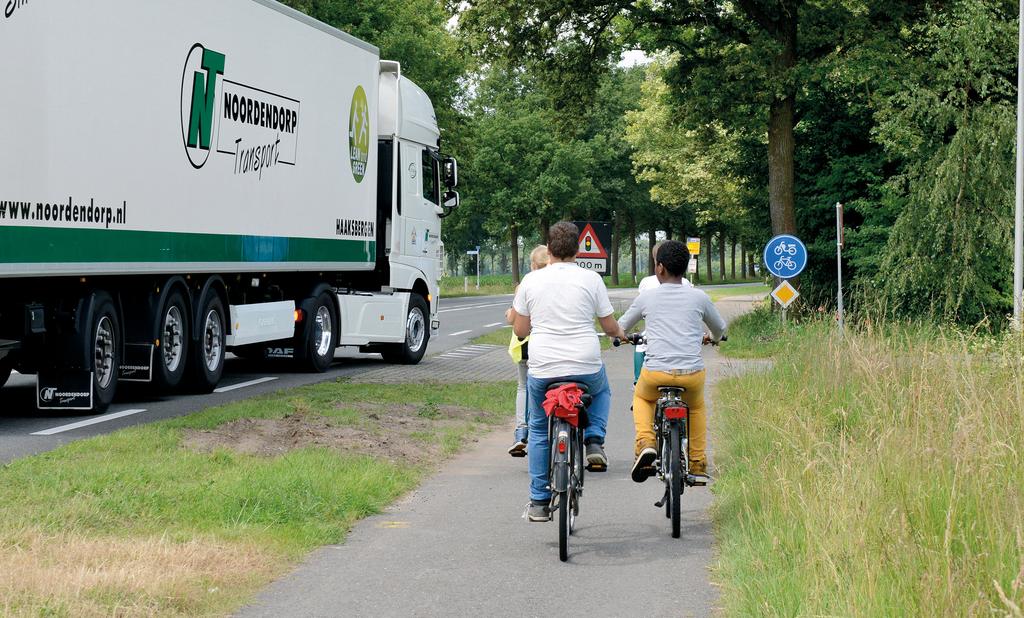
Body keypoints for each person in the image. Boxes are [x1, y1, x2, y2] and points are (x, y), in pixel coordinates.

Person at [510, 222, 621, 521]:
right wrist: (619, 334)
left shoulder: (531, 281)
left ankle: (538, 501)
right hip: (585, 363)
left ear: (548, 250)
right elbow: (608, 325)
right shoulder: (592, 279)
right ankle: (594, 438)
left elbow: (520, 329)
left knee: (536, 428)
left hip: (543, 367)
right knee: (602, 390)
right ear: (577, 249)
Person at [614, 240, 726, 485]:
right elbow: (719, 328)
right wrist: (714, 339)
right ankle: (697, 463)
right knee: (695, 407)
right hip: (691, 374)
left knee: (642, 397)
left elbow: (621, 327)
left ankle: (646, 442)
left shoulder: (648, 297)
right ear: (685, 267)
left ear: (660, 268)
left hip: (656, 373)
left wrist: (621, 337)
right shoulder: (699, 297)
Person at [506, 245, 550, 457]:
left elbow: (514, 318)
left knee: (523, 387)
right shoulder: (556, 283)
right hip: (550, 347)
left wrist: (508, 314)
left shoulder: (526, 284)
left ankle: (522, 430)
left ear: (533, 265)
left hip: (525, 346)